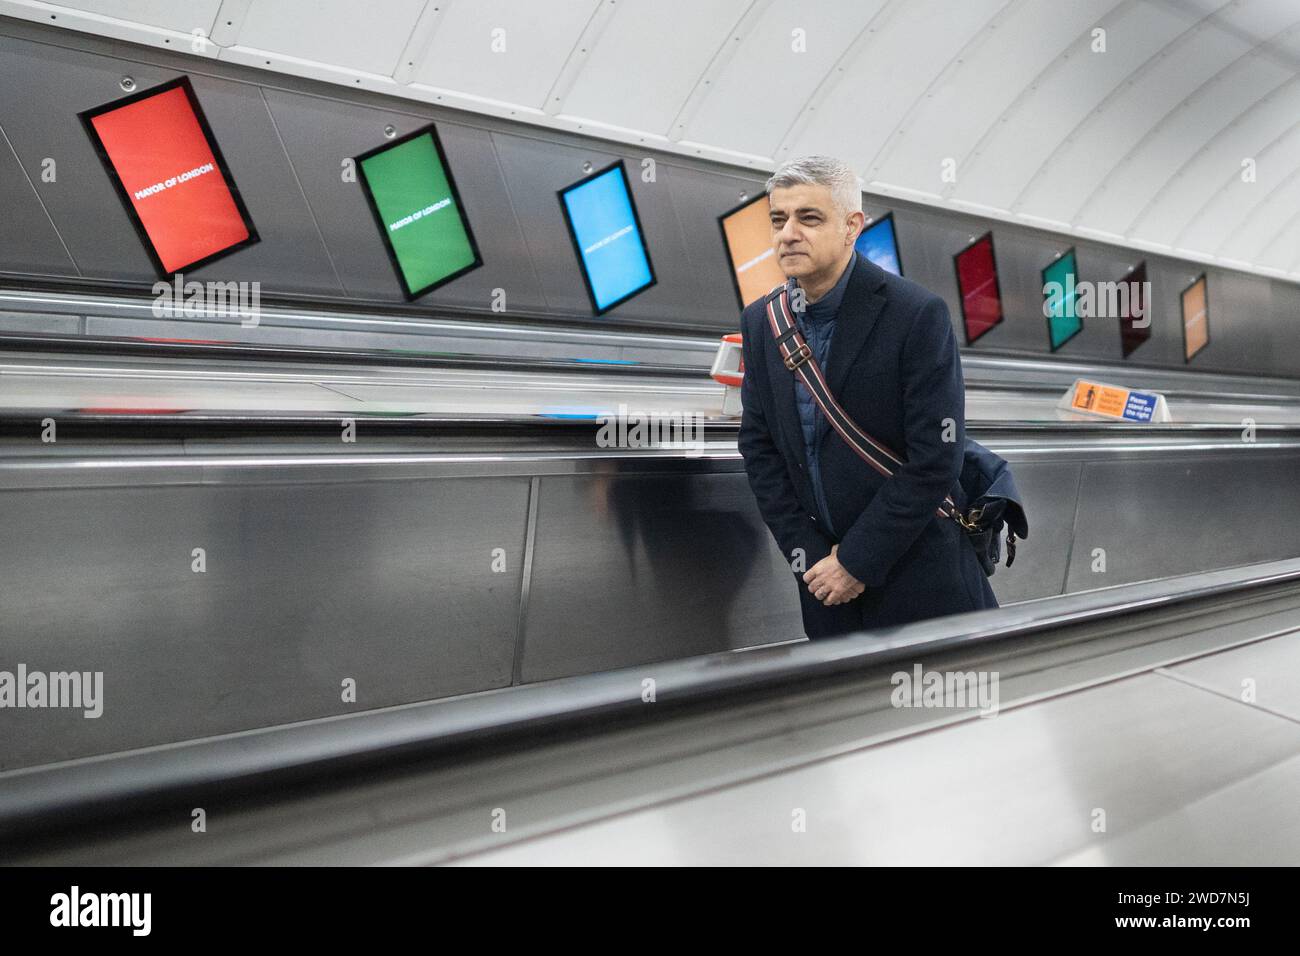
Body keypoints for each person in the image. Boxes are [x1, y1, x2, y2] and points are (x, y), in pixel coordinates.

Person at [737, 155, 998, 639]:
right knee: (846, 710)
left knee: (938, 709)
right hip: (824, 588)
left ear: (852, 226)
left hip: (920, 573)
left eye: (808, 218)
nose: (788, 233)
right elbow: (759, 447)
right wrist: (812, 557)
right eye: (778, 219)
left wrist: (855, 562)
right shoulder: (761, 322)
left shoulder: (915, 314)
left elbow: (935, 458)